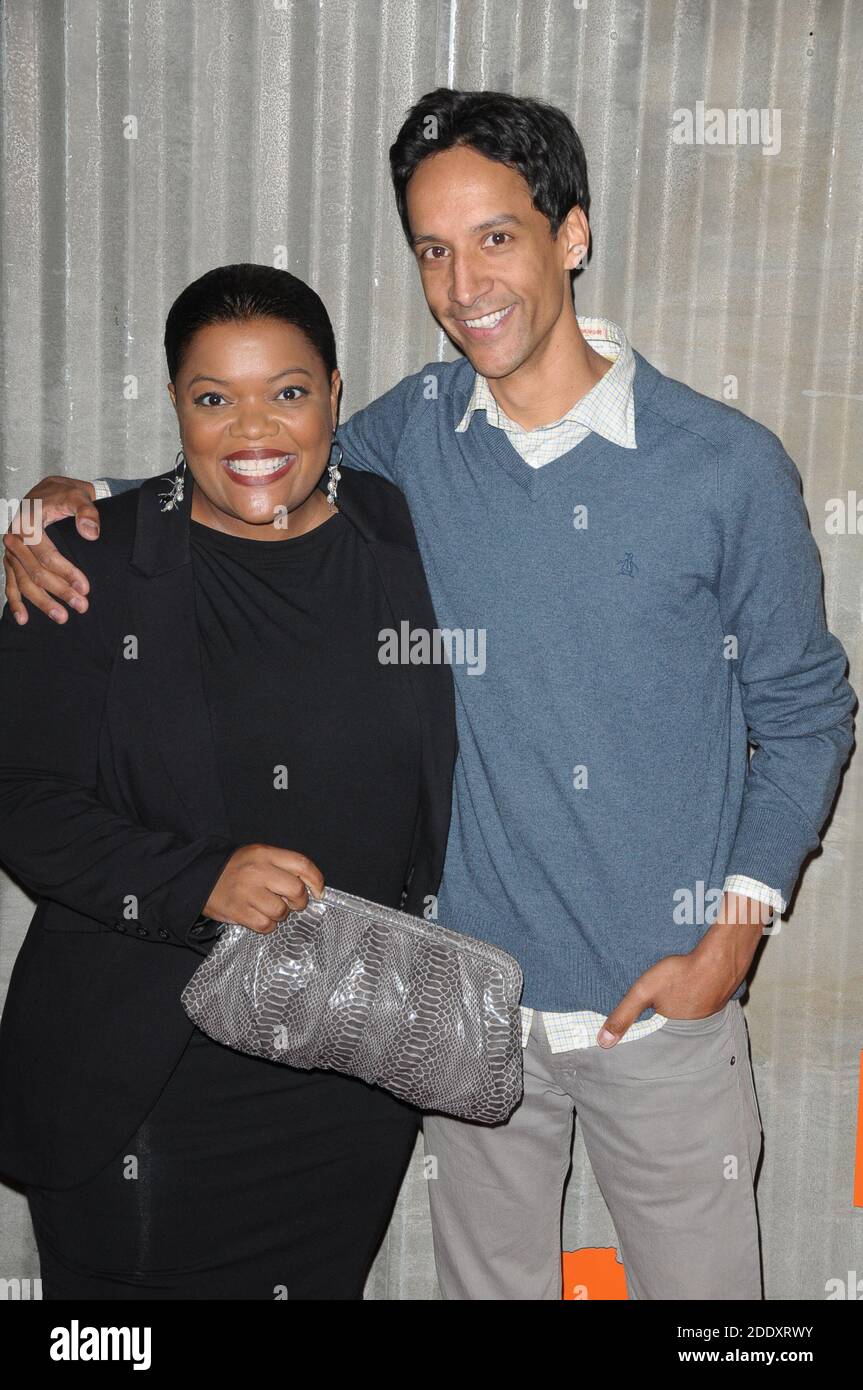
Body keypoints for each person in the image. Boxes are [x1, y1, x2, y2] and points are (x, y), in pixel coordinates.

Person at [5, 89, 856, 1301]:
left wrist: (727, 939)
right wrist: (67, 503)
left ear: (571, 234)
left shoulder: (723, 465)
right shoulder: (409, 434)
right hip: (459, 1006)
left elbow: (806, 709)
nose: (464, 285)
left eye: (496, 237)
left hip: (659, 1005)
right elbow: (250, 455)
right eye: (432, 250)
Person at [0, 262, 456, 1299]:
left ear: (335, 394)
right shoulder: (88, 564)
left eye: (287, 391)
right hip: (151, 1079)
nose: (254, 428)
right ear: (176, 405)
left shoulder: (393, 533)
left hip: (344, 1074)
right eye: (215, 397)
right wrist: (192, 877)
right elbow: (17, 790)